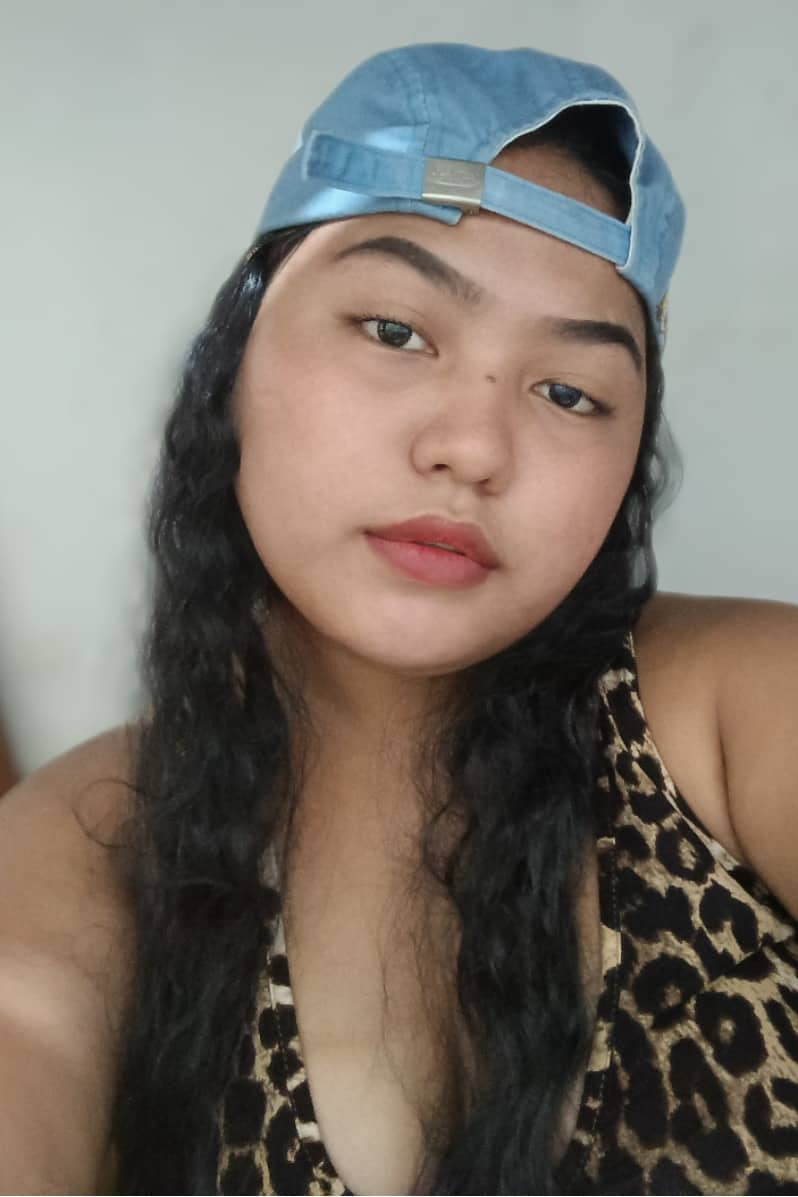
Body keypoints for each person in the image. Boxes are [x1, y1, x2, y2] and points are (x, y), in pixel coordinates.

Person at [1, 41, 796, 1197]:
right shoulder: (87, 845)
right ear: (235, 355)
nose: (472, 447)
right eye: (394, 330)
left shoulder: (740, 714)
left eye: (571, 392)